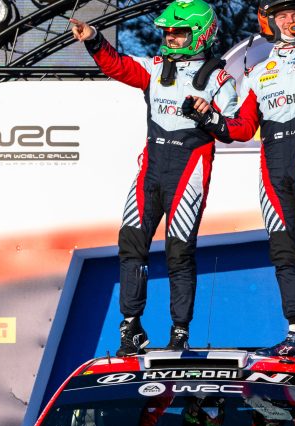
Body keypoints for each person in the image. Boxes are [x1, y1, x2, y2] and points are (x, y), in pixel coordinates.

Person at [184, 0, 295, 359]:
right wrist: (207, 118)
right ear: (269, 23)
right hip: (272, 168)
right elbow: (241, 128)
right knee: (283, 251)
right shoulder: (256, 73)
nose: (291, 20)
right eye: (282, 15)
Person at [71, 0, 239, 356]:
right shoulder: (156, 66)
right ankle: (131, 326)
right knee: (131, 244)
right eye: (168, 32)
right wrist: (94, 38)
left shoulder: (219, 79)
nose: (171, 37)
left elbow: (235, 129)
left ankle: (180, 332)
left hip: (187, 171)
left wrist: (209, 116)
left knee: (179, 252)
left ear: (201, 34)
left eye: (179, 32)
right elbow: (119, 66)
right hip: (151, 169)